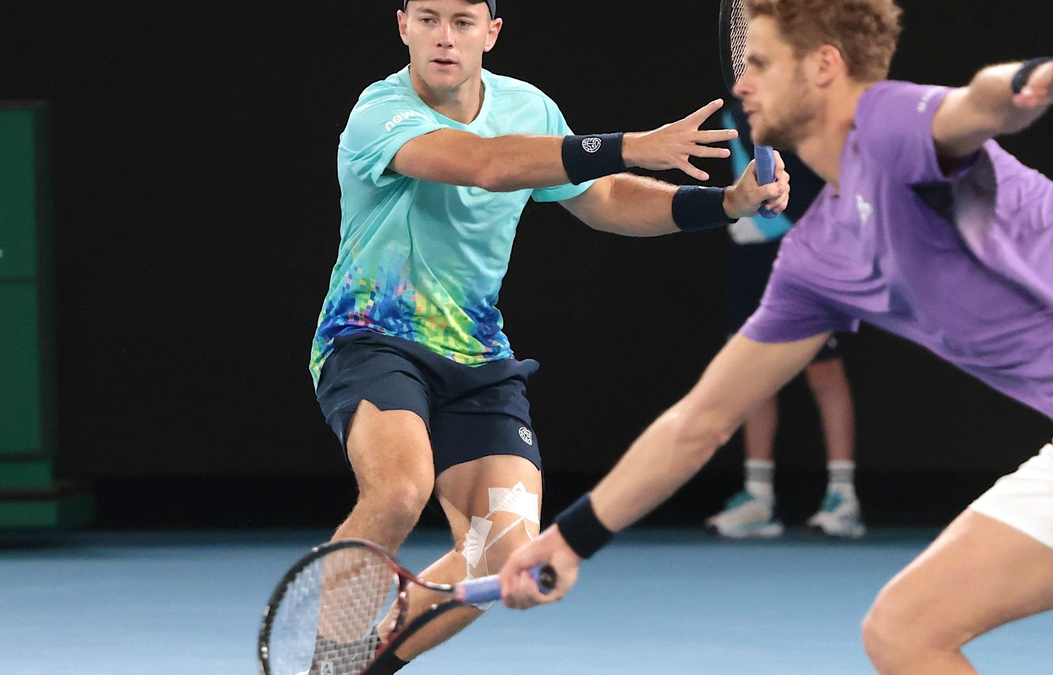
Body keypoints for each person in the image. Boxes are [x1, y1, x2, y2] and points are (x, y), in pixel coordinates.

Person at [501, 3, 1053, 674]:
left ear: (825, 66)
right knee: (905, 631)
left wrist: (1024, 84)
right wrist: (571, 536)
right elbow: (701, 419)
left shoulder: (887, 125)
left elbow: (975, 105)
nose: (740, 81)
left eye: (764, 63)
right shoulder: (819, 255)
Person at [308, 0, 790, 670]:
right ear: (403, 26)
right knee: (397, 491)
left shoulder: (529, 109)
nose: (444, 38)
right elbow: (484, 165)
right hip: (373, 338)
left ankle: (362, 663)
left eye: (463, 21)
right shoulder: (378, 113)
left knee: (504, 555)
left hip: (477, 357)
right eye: (428, 19)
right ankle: (327, 659)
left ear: (491, 33)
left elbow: (605, 199)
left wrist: (727, 204)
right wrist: (628, 144)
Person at [705, 101, 864, 539]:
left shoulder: (798, 103)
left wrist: (800, 230)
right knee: (751, 373)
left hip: (805, 249)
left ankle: (843, 496)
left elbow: (826, 177)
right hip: (750, 253)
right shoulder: (740, 105)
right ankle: (758, 498)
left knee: (824, 372)